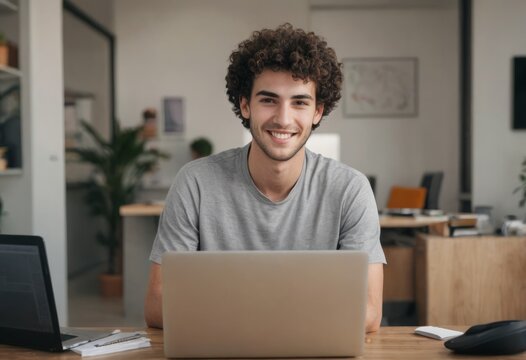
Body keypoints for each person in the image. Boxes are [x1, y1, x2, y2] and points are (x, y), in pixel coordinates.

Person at [145, 23, 386, 332]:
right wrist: (287, 317)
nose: (283, 119)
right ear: (245, 105)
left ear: (317, 111)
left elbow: (368, 313)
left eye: (299, 102)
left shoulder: (350, 189)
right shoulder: (195, 183)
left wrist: (243, 315)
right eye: (268, 100)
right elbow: (156, 305)